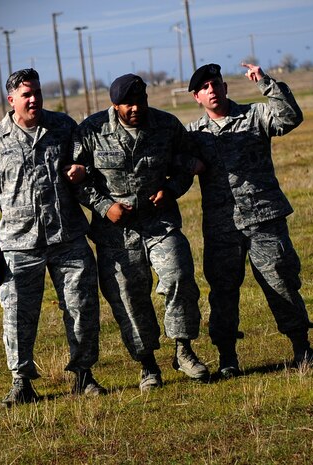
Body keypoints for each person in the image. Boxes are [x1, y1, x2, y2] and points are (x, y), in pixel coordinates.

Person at [0, 68, 106, 407]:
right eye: (26, 95)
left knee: (81, 307)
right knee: (17, 315)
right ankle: (21, 382)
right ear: (11, 100)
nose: (33, 99)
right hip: (18, 243)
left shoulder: (63, 127)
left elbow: (87, 162)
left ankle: (84, 375)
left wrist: (83, 170)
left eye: (37, 92)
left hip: (68, 236)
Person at [186, 63, 313, 378]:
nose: (212, 91)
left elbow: (290, 117)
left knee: (282, 282)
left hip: (264, 220)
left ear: (225, 88)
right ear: (197, 97)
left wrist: (265, 82)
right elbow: (173, 161)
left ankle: (302, 347)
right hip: (223, 228)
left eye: (216, 84)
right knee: (222, 293)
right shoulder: (193, 135)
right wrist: (187, 163)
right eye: (205, 88)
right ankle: (227, 359)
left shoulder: (255, 116)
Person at [72, 73, 208, 391]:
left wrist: (171, 189)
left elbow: (188, 162)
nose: (135, 108)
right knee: (128, 298)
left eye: (140, 101)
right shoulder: (91, 130)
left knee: (179, 277)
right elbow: (76, 179)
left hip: (160, 223)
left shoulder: (166, 125)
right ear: (114, 104)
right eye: (128, 104)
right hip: (115, 233)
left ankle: (184, 350)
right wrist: (105, 206)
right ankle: (148, 366)